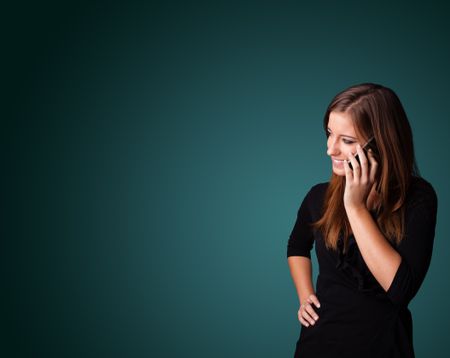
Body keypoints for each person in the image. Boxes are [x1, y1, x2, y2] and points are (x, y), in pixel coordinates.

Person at [287, 83, 438, 358]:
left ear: (381, 143)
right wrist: (304, 295)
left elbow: (401, 290)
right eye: (329, 134)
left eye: (347, 140)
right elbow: (297, 246)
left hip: (384, 347)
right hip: (318, 345)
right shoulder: (318, 196)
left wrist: (355, 208)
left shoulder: (418, 198)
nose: (330, 150)